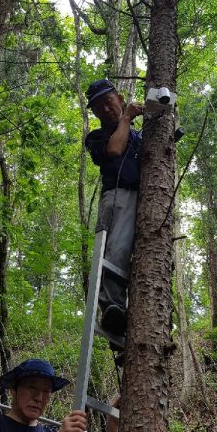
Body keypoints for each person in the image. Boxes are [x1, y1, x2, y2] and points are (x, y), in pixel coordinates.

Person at [85, 79, 143, 339]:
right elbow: (115, 149)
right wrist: (128, 118)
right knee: (115, 249)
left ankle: (131, 314)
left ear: (119, 98)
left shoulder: (136, 135)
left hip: (143, 199)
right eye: (98, 108)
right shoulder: (97, 137)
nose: (106, 110)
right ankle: (112, 307)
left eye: (108, 102)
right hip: (117, 197)